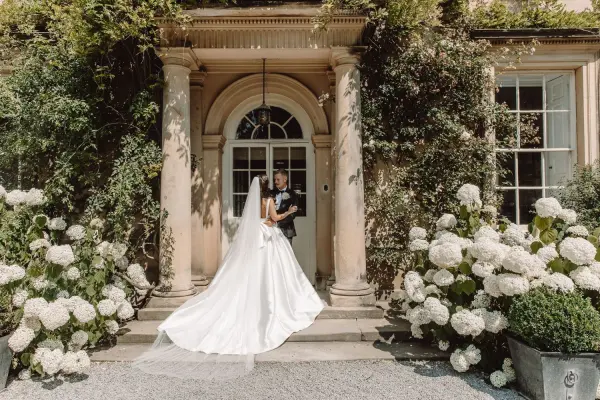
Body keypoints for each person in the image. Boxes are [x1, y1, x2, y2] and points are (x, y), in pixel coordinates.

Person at [133, 174, 324, 380]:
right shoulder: (268, 201)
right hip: (269, 235)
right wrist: (288, 211)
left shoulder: (252, 203)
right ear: (266, 186)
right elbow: (275, 219)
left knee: (253, 269)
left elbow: (254, 221)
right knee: (276, 271)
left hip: (256, 235)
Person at [271, 169, 298, 245]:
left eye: (278, 179)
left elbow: (293, 214)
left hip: (287, 230)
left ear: (285, 179)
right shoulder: (271, 193)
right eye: (275, 179)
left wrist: (278, 223)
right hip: (272, 230)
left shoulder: (293, 194)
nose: (275, 182)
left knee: (286, 256)